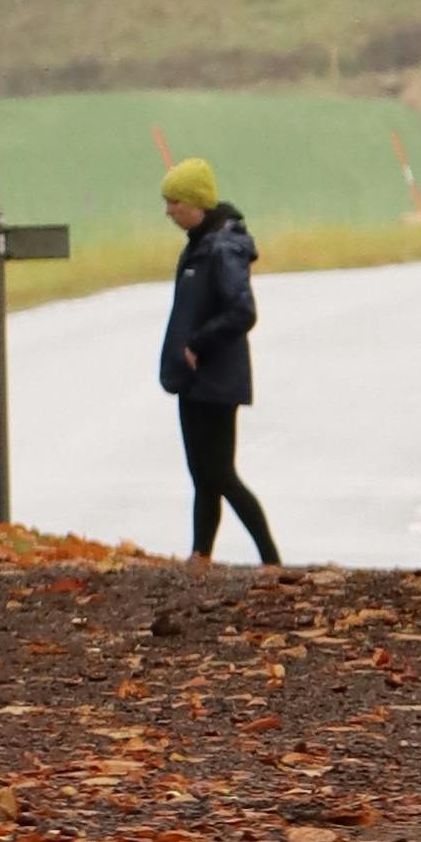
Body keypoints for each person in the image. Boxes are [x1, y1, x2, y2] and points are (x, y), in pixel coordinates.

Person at [155, 156, 276, 566]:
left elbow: (242, 311)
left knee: (220, 473)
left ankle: (271, 559)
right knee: (203, 476)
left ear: (196, 202)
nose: (169, 211)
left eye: (174, 202)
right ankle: (200, 557)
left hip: (217, 378)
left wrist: (198, 344)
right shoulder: (199, 243)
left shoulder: (223, 247)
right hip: (192, 379)